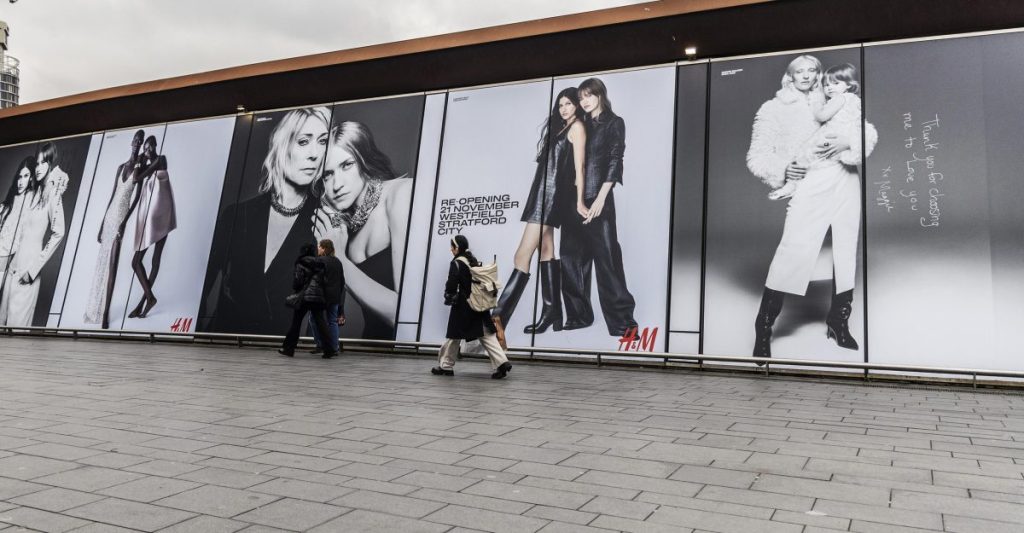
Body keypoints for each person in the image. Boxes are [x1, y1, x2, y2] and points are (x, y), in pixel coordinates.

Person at [746, 55, 877, 360]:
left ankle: (838, 322)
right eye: (798, 71)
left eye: (811, 70)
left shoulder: (835, 94)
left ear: (818, 74)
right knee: (793, 250)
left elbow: (866, 131)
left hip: (845, 178)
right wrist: (783, 170)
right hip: (810, 181)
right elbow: (757, 156)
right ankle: (764, 327)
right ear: (788, 77)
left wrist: (849, 141)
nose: (806, 75)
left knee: (845, 249)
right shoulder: (772, 109)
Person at [208, 107, 330, 335]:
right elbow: (202, 289)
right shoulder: (236, 214)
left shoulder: (324, 223)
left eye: (323, 142)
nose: (315, 153)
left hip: (282, 358)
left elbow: (326, 308)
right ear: (281, 147)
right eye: (303, 141)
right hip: (221, 351)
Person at [493, 87, 586, 334]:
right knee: (546, 250)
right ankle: (551, 313)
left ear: (577, 105)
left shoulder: (576, 128)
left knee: (521, 255)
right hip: (542, 194)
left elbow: (580, 169)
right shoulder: (562, 128)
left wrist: (579, 202)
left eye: (568, 103)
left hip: (551, 197)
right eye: (561, 104)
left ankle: (495, 323)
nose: (564, 108)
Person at [312, 121, 411, 339]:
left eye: (346, 165)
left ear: (363, 161)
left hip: (407, 352)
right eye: (327, 175)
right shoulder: (344, 228)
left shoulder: (400, 194)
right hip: (372, 349)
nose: (336, 184)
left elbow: (405, 313)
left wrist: (339, 261)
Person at [559, 78, 638, 336]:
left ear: (600, 95)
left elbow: (616, 160)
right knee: (571, 258)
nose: (585, 101)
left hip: (598, 198)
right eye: (581, 97)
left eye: (589, 96)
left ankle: (623, 323)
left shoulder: (614, 123)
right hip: (574, 199)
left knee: (607, 260)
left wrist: (603, 197)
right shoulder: (580, 124)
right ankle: (579, 316)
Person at [768, 63, 863, 201]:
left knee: (804, 154)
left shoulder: (841, 98)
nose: (829, 88)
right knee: (813, 161)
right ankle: (794, 187)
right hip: (841, 138)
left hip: (829, 137)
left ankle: (791, 186)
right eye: (826, 85)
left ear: (849, 85)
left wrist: (816, 101)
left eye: (835, 83)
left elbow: (821, 116)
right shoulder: (854, 100)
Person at [84, 131, 146, 329]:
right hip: (110, 217)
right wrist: (102, 224)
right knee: (102, 264)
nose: (136, 143)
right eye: (135, 139)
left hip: (120, 219)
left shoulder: (139, 169)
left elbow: (136, 199)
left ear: (142, 143)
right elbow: (112, 195)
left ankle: (105, 314)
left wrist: (124, 222)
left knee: (113, 265)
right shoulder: (121, 167)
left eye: (140, 140)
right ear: (131, 142)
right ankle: (97, 309)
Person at [4, 143, 68, 327]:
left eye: (43, 163)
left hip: (27, 273)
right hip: (12, 270)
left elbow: (59, 232)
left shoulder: (54, 193)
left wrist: (32, 271)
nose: (39, 168)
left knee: (16, 332)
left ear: (50, 163)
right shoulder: (34, 191)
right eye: (37, 163)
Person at [432, 235, 512, 379]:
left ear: (457, 247)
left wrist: (449, 295)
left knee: (454, 336)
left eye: (452, 247)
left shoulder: (457, 262)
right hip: (479, 304)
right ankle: (502, 362)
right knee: (487, 335)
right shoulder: (472, 260)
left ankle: (446, 366)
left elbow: (452, 283)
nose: (451, 250)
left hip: (463, 305)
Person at [128, 135, 177, 318]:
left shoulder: (160, 160)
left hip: (160, 217)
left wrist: (140, 162)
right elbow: (135, 181)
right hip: (156, 217)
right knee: (137, 262)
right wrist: (140, 162)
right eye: (145, 149)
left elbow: (138, 176)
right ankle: (146, 300)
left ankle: (147, 300)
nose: (147, 151)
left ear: (155, 146)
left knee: (153, 261)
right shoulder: (150, 164)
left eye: (149, 148)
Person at [278, 243, 336, 357]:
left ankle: (289, 349)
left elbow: (298, 281)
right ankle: (329, 349)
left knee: (296, 323)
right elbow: (325, 281)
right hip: (318, 297)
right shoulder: (320, 263)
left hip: (304, 296)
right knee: (321, 323)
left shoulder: (300, 262)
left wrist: (296, 288)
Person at [0, 157, 33, 323]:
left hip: (12, 261)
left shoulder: (32, 200)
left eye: (26, 176)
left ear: (32, 178)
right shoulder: (7, 205)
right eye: (19, 177)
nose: (21, 181)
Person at [309, 238, 346, 356]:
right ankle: (334, 347)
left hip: (321, 297)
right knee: (332, 321)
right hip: (335, 297)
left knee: (314, 319)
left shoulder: (319, 261)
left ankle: (320, 344)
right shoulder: (338, 262)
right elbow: (342, 282)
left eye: (319, 247)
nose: (317, 249)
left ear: (324, 248)